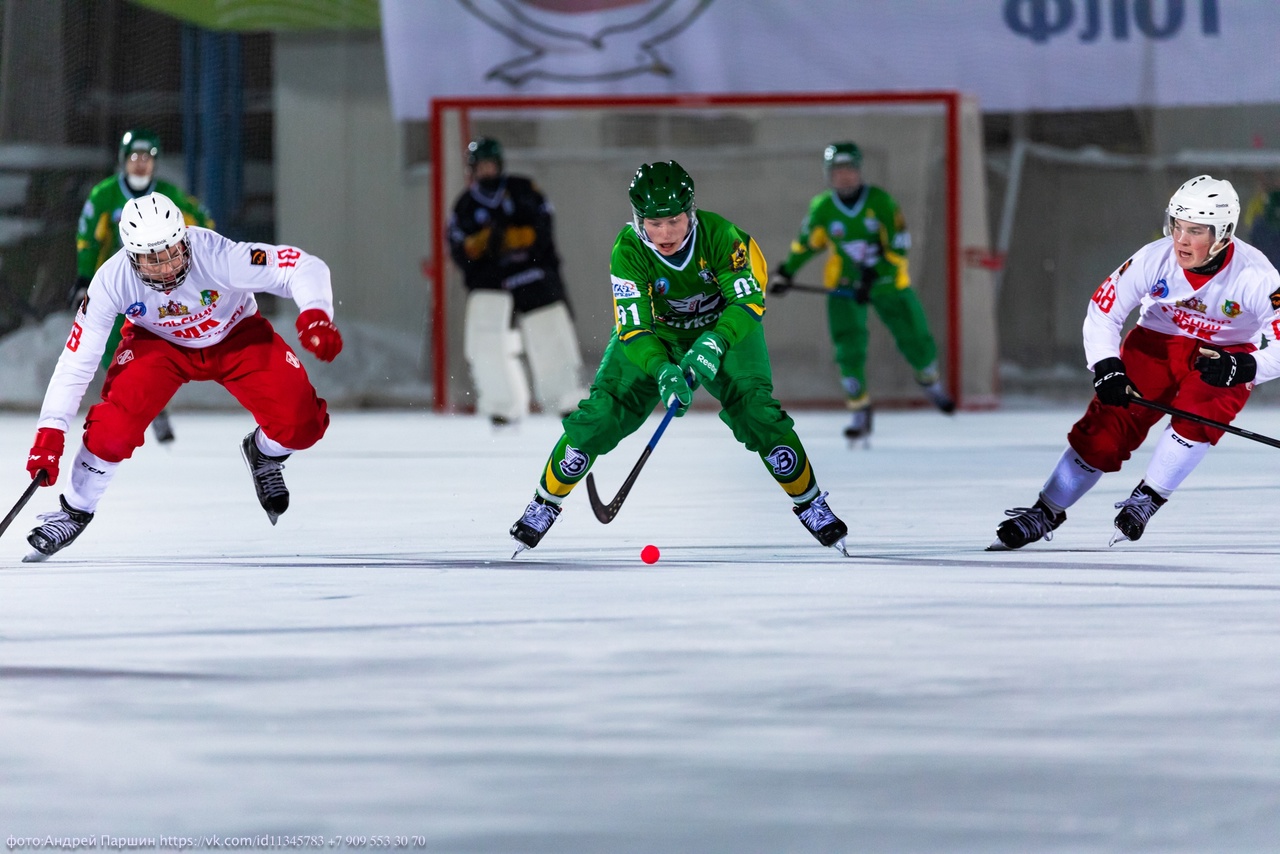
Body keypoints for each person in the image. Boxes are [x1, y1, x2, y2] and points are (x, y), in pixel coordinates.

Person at [508, 160, 851, 557]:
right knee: (600, 416)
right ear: (638, 219)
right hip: (658, 333)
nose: (665, 233)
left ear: (690, 212)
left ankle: (811, 503)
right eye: (653, 223)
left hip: (728, 328)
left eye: (673, 220)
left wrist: (714, 342)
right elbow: (634, 328)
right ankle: (544, 504)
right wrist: (663, 370)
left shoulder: (723, 237)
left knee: (757, 413)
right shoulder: (628, 251)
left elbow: (748, 301)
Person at [22, 193, 343, 562]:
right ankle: (74, 509)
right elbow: (77, 362)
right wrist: (49, 433)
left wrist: (316, 312)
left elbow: (301, 266)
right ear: (130, 256)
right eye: (152, 259)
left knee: (303, 424)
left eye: (173, 251)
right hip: (158, 344)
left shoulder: (217, 254)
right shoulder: (111, 280)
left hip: (235, 334)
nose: (167, 267)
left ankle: (264, 452)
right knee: (113, 426)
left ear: (185, 238)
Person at [989, 174, 1280, 550]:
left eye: (1195, 230)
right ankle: (1045, 510)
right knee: (1108, 424)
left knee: (1200, 414)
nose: (1181, 240)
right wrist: (1106, 363)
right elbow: (1104, 310)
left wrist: (1246, 367)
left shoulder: (1258, 276)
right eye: (1176, 226)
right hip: (1156, 344)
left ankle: (1150, 496)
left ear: (1223, 233)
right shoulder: (1152, 258)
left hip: (1224, 354)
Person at [768, 141, 955, 442]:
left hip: (888, 284)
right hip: (845, 288)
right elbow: (807, 244)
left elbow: (899, 246)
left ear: (859, 171)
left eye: (850, 170)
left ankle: (930, 380)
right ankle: (859, 408)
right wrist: (786, 272)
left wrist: (874, 275)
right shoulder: (823, 208)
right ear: (829, 174)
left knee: (916, 337)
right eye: (838, 171)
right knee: (848, 347)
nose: (845, 177)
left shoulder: (881, 202)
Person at [73, 128, 216, 444]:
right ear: (123, 160)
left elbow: (204, 225)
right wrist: (85, 279)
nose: (140, 164)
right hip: (118, 290)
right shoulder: (105, 195)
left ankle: (150, 404)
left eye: (147, 157)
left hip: (159, 287)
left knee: (155, 350)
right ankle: (127, 409)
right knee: (112, 350)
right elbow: (88, 240)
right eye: (134, 157)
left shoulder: (170, 197)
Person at [447, 136, 587, 425]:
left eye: (490, 165)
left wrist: (521, 240)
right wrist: (479, 249)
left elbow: (544, 231)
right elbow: (458, 249)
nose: (487, 171)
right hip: (490, 281)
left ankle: (564, 397)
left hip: (530, 273)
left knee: (550, 332)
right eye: (481, 166)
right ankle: (502, 404)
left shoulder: (524, 190)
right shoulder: (464, 206)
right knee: (486, 340)